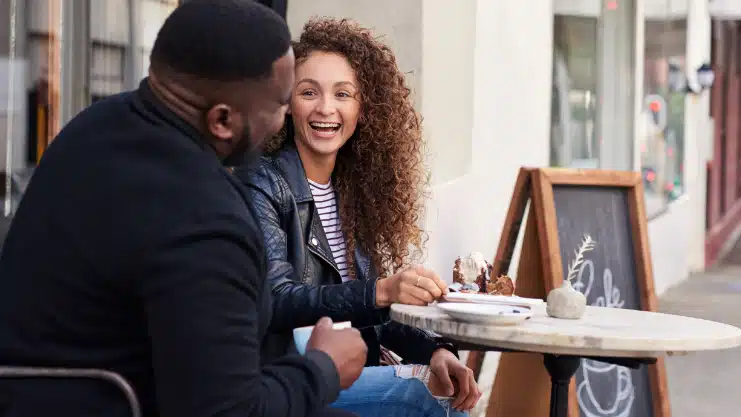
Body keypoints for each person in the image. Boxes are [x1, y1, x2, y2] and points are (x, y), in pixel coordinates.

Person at [0, 2, 366, 417]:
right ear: (222, 121)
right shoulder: (205, 219)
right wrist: (323, 368)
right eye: (283, 103)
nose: (286, 119)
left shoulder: (92, 128)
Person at [234, 18, 482, 416]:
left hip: (339, 373)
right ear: (286, 103)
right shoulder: (263, 182)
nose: (325, 108)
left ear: (363, 108)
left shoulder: (352, 192)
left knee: (447, 391)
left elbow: (366, 313)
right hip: (283, 379)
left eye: (343, 94)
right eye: (309, 92)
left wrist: (435, 350)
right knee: (415, 395)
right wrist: (381, 290)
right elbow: (276, 301)